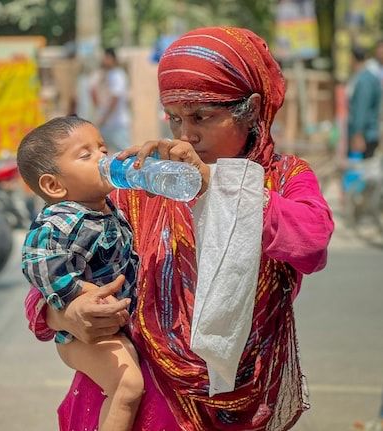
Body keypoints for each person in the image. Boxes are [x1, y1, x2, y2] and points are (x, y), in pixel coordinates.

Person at [23, 26, 334, 430]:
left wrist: (216, 188)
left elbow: (312, 243)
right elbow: (49, 276)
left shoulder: (284, 178)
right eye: (174, 117)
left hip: (239, 402)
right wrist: (66, 315)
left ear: (252, 109)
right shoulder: (145, 184)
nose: (186, 135)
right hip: (147, 403)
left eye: (201, 116)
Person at [18, 116, 143, 431]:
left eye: (102, 148)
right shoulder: (61, 220)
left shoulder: (107, 207)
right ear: (53, 185)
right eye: (86, 155)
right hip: (80, 335)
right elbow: (36, 260)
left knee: (126, 380)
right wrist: (77, 296)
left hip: (112, 323)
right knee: (127, 386)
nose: (103, 158)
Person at [90, 48, 131, 152]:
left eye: (106, 57)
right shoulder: (106, 74)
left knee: (125, 153)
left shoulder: (117, 75)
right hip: (107, 123)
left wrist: (104, 117)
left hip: (117, 123)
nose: (104, 60)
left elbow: (115, 99)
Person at [347, 44, 381, 159]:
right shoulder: (367, 77)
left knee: (361, 172)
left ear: (352, 58)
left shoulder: (364, 81)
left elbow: (361, 108)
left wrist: (357, 134)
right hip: (367, 134)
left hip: (365, 136)